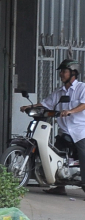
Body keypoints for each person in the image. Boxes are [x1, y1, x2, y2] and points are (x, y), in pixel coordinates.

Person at [21, 58, 85, 194]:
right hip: (65, 131)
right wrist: (30, 106)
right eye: (61, 71)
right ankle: (60, 186)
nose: (61, 74)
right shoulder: (59, 92)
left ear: (73, 73)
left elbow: (84, 104)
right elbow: (46, 103)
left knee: (83, 155)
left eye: (64, 71)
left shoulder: (82, 88)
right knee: (57, 157)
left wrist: (71, 111)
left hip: (80, 130)